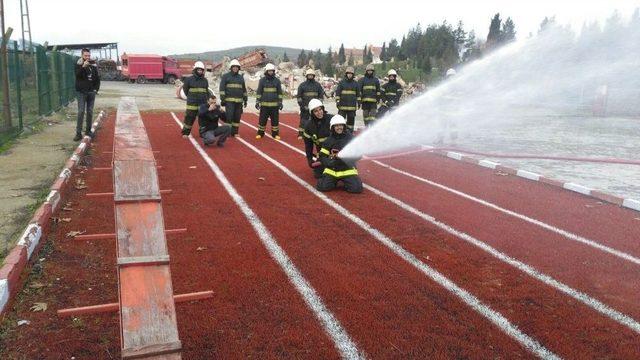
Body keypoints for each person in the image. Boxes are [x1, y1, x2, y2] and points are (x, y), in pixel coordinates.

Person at [316, 115, 363, 193]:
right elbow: (322, 156)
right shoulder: (328, 141)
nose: (339, 128)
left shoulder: (351, 138)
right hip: (332, 170)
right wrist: (329, 162)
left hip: (347, 169)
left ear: (344, 126)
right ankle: (330, 181)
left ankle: (346, 182)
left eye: (341, 125)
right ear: (332, 127)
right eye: (336, 126)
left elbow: (358, 155)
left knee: (357, 189)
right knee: (322, 187)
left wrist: (348, 158)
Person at [74, 48, 100, 141]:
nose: (87, 57)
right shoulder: (78, 64)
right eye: (85, 56)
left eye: (88, 55)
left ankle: (88, 131)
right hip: (81, 92)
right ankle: (78, 133)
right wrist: (83, 67)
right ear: (82, 55)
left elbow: (97, 78)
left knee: (90, 111)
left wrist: (96, 89)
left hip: (91, 92)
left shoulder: (93, 65)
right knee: (81, 111)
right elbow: (77, 75)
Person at [303, 98, 332, 178]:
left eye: (320, 109)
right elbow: (308, 146)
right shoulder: (309, 126)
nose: (319, 112)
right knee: (318, 175)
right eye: (316, 111)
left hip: (336, 152)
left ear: (323, 109)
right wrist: (309, 159)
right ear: (312, 113)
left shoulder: (331, 119)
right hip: (323, 155)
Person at [220, 59, 247, 137]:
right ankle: (227, 132)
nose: (235, 68)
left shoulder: (240, 77)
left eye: (237, 67)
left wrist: (245, 99)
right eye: (234, 67)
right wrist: (223, 99)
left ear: (239, 68)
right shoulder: (225, 76)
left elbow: (244, 89)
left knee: (237, 117)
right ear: (231, 68)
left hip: (239, 102)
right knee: (229, 117)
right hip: (229, 101)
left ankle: (234, 132)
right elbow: (222, 89)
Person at [255, 63, 283, 139]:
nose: (270, 72)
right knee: (262, 120)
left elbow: (279, 93)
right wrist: (257, 101)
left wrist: (280, 102)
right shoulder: (262, 80)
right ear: (266, 71)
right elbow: (259, 92)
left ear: (274, 71)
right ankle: (260, 133)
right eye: (269, 71)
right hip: (264, 105)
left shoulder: (277, 81)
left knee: (275, 121)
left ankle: (275, 134)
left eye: (272, 71)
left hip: (274, 106)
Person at [181, 61, 209, 136]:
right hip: (192, 103)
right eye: (198, 70)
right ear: (195, 70)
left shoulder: (205, 80)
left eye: (201, 70)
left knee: (203, 119)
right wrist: (191, 97)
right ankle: (186, 133)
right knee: (189, 118)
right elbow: (185, 90)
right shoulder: (188, 79)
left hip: (202, 103)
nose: (200, 71)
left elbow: (206, 91)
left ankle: (202, 133)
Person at [296, 68, 325, 139]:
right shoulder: (302, 85)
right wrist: (303, 106)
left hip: (315, 108)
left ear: (314, 76)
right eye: (309, 75)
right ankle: (301, 134)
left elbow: (321, 96)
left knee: (316, 121)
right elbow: (299, 97)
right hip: (305, 107)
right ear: (306, 76)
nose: (310, 77)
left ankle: (315, 133)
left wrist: (319, 106)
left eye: (311, 75)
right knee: (303, 121)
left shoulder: (318, 85)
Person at [335, 67, 360, 131]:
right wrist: (337, 101)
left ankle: (350, 134)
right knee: (340, 122)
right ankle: (341, 134)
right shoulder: (341, 83)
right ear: (346, 74)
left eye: (351, 74)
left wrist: (359, 102)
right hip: (342, 107)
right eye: (348, 73)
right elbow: (337, 93)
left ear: (353, 75)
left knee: (351, 123)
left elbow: (358, 94)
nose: (349, 75)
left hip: (352, 108)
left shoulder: (356, 84)